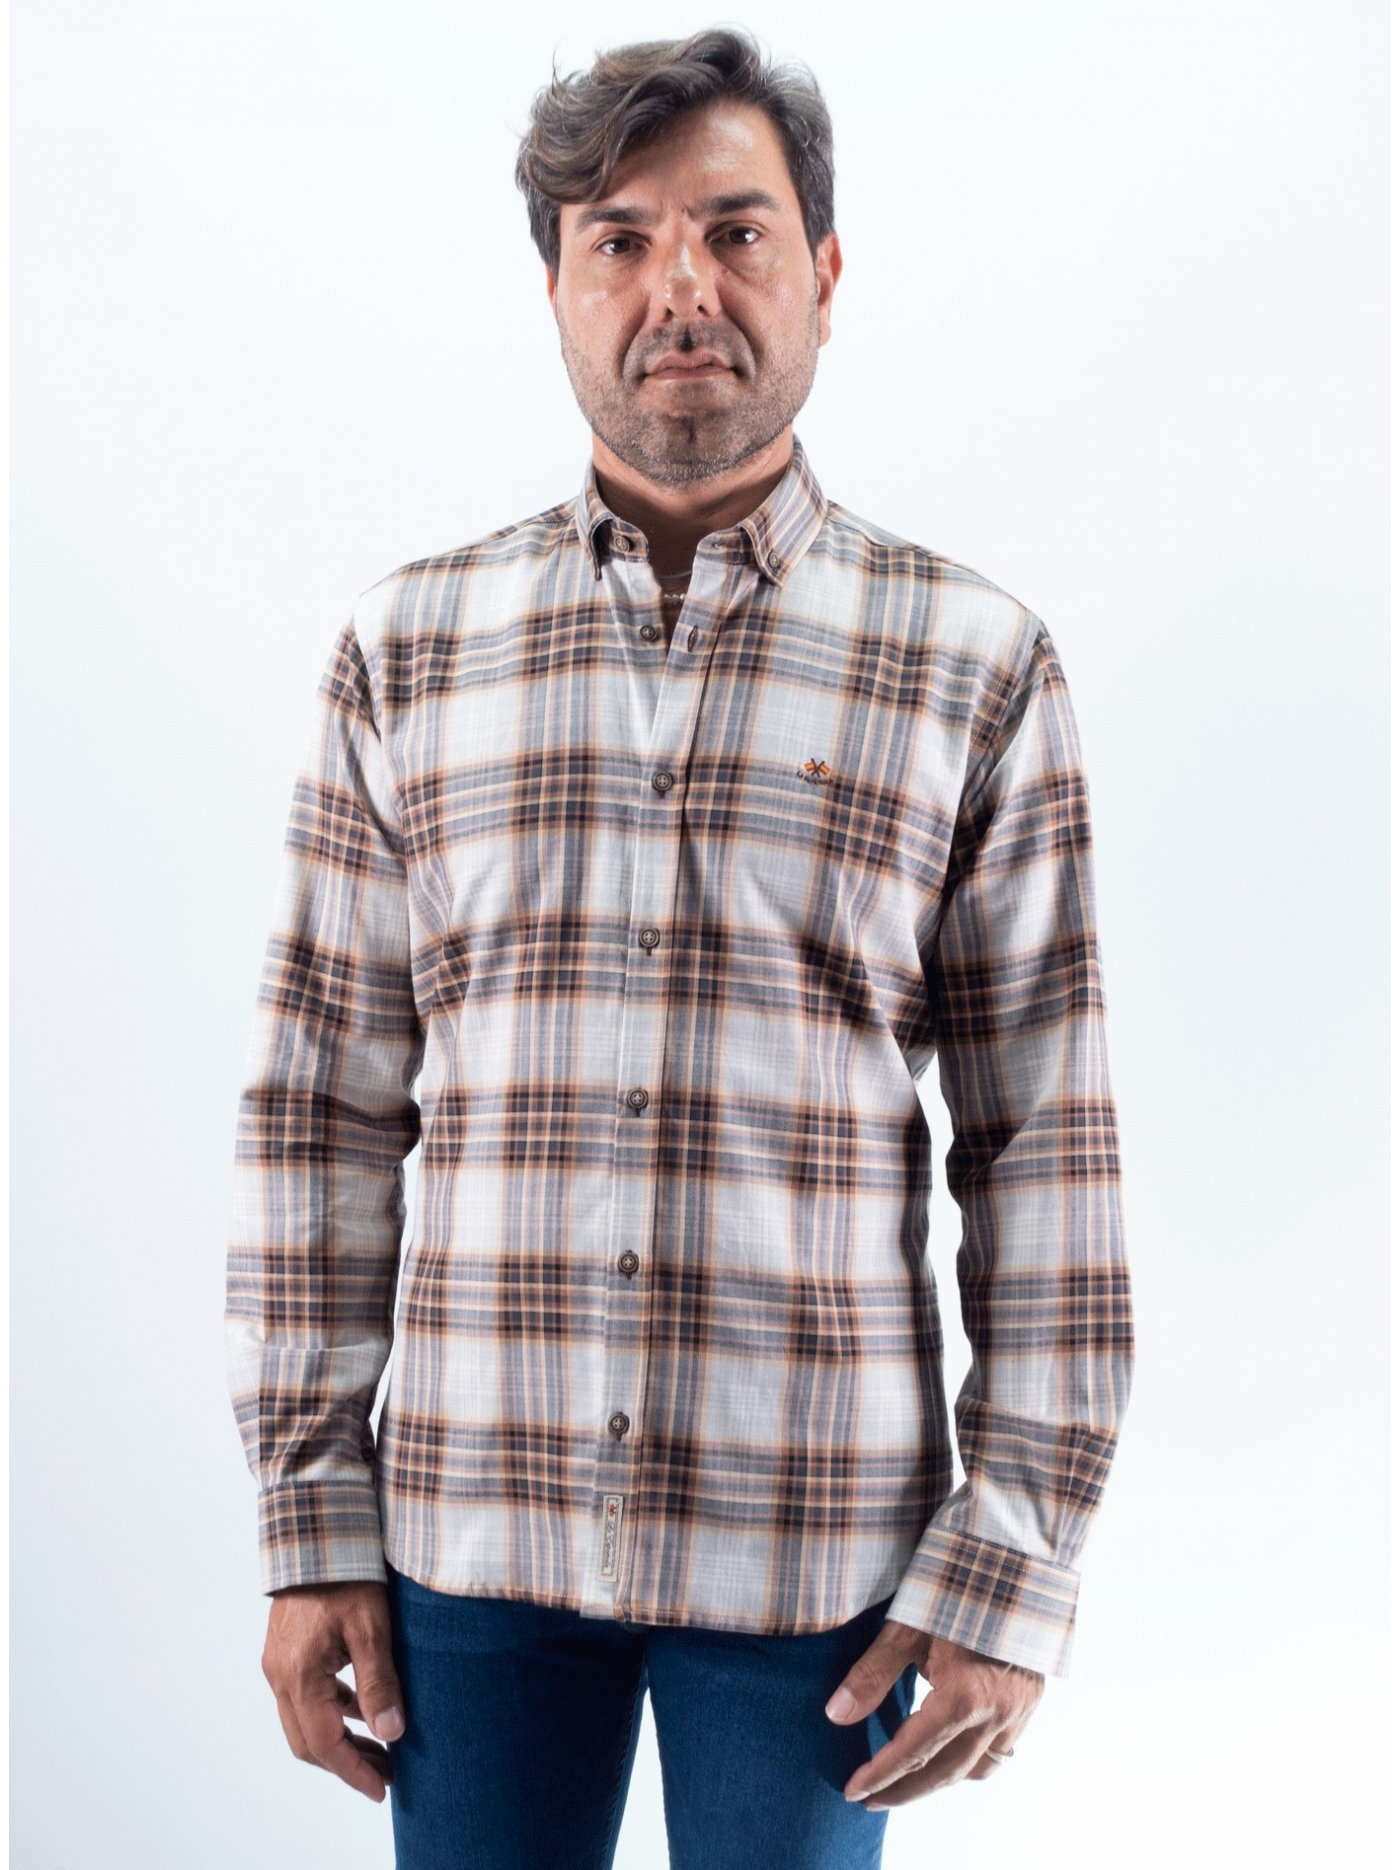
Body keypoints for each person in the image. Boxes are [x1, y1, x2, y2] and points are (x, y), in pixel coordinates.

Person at [226, 26, 1134, 1870]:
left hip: (817, 1550)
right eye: (620, 240)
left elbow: (1044, 1138)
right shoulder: (407, 651)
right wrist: (309, 1516)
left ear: (825, 271)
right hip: (468, 1530)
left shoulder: (974, 662)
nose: (681, 289)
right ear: (556, 286)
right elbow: (321, 1109)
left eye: (734, 230)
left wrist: (1016, 1558)